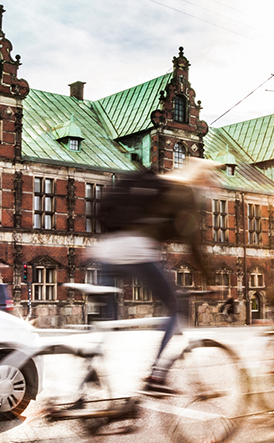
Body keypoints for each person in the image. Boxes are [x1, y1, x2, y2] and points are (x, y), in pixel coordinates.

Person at [91, 159, 216, 396]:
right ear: (201, 177)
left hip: (107, 247)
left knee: (106, 321)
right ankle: (156, 375)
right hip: (137, 249)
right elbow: (193, 242)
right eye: (210, 179)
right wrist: (209, 279)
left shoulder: (158, 184)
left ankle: (86, 373)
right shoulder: (185, 192)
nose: (212, 185)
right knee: (175, 307)